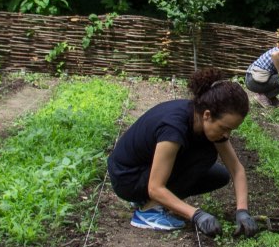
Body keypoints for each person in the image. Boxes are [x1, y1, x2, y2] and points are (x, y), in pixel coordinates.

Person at [107, 68, 261, 236]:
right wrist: (196, 214)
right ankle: (147, 212)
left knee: (219, 175)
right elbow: (155, 187)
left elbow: (236, 169)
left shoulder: (199, 115)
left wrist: (242, 211)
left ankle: (148, 201)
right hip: (127, 178)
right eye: (224, 128)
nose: (227, 135)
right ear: (207, 115)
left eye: (231, 130)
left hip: (144, 170)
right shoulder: (173, 128)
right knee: (204, 155)